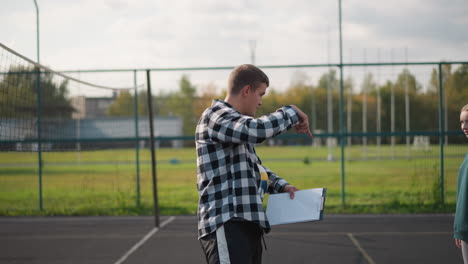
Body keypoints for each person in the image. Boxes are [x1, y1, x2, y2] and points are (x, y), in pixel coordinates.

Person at [196, 64, 312, 264]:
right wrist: (291, 112)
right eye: (261, 94)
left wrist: (281, 186)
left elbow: (255, 168)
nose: (260, 102)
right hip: (227, 224)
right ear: (246, 90)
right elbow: (258, 130)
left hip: (247, 226)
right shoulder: (216, 116)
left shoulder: (236, 126)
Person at [455, 104, 468, 263]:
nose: (464, 126)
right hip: (464, 230)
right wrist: (458, 229)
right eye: (462, 122)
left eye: (467, 121)